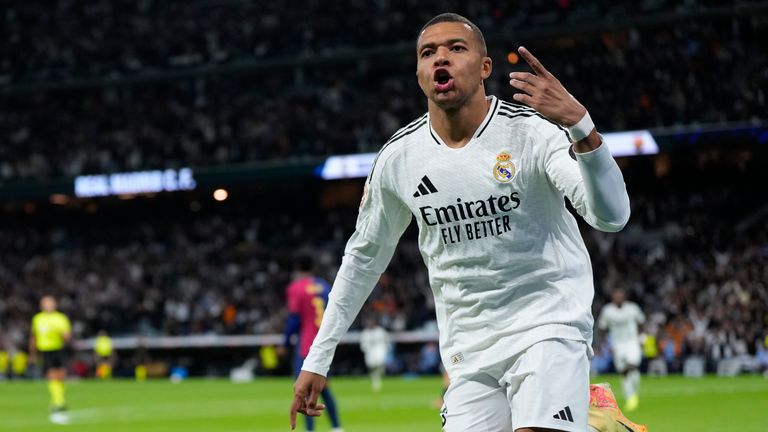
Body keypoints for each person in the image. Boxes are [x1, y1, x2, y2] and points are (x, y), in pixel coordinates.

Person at [291, 12, 631, 432]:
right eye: (428, 52)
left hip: (548, 325)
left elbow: (611, 217)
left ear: (485, 67)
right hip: (468, 354)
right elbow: (363, 261)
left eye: (456, 48)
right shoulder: (400, 159)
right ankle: (592, 423)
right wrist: (318, 358)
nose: (441, 59)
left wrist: (582, 128)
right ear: (418, 73)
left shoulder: (532, 134)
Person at [282, 254, 344, 432]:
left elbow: (294, 320)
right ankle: (337, 427)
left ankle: (309, 430)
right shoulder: (324, 286)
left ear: (297, 268)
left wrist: (285, 343)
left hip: (306, 345)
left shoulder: (296, 288)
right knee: (324, 387)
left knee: (303, 391)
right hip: (325, 343)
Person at [597, 288, 646, 411]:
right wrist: (606, 344)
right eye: (616, 295)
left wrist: (642, 338)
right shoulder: (607, 311)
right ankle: (631, 397)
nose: (618, 298)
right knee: (624, 372)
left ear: (624, 296)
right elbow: (602, 328)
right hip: (617, 344)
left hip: (632, 341)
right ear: (613, 297)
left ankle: (632, 397)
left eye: (621, 295)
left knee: (633, 365)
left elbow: (641, 323)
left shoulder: (632, 308)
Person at [29, 295, 72, 413]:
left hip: (58, 349)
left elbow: (67, 336)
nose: (48, 305)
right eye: (45, 303)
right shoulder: (37, 319)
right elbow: (34, 337)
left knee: (61, 376)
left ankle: (58, 400)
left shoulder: (60, 318)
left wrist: (63, 335)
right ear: (41, 305)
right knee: (51, 375)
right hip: (45, 350)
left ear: (55, 304)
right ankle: (59, 402)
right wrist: (32, 353)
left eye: (50, 303)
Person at [359, 317, 389, 391]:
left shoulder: (380, 331)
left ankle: (378, 378)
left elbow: (386, 341)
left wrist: (386, 349)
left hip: (379, 350)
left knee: (379, 363)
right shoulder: (365, 332)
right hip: (370, 352)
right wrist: (366, 349)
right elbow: (363, 344)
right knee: (372, 366)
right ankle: (375, 379)